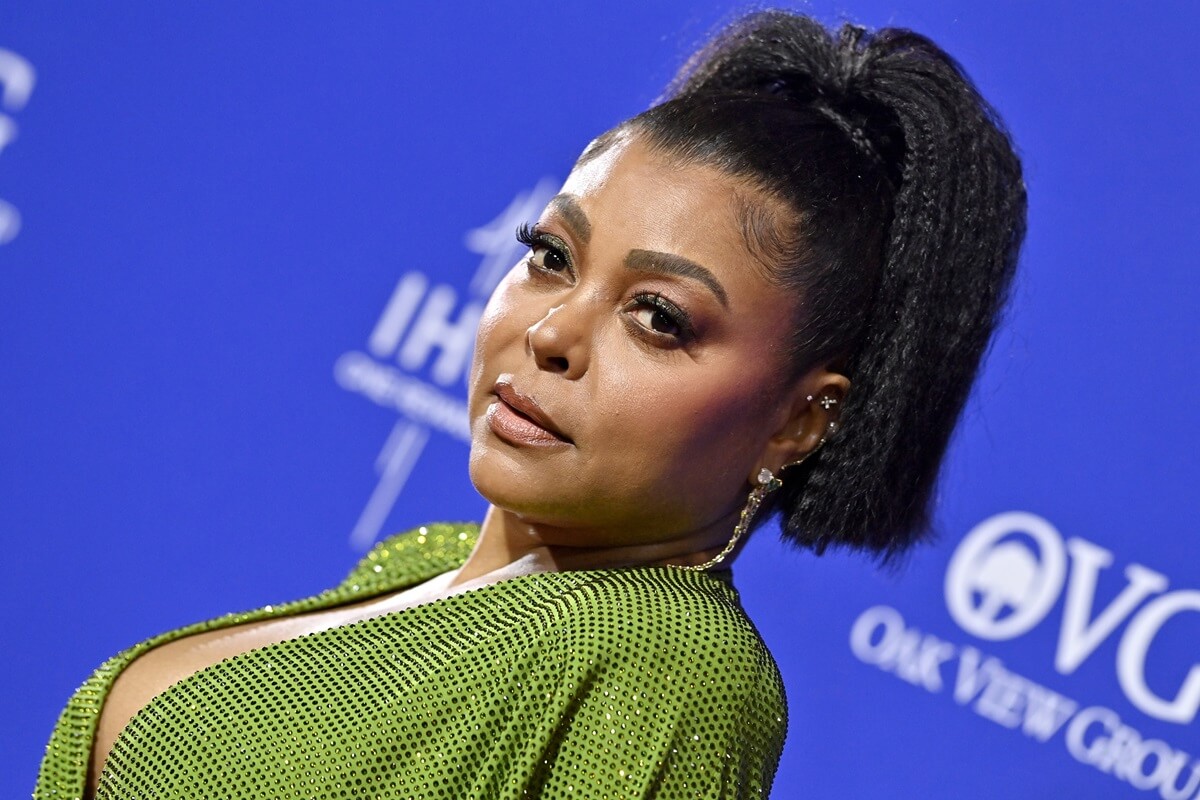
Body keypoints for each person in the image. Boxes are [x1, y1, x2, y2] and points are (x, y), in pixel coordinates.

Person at [34, 9, 1025, 799]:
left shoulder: (669, 668)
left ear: (799, 421)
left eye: (658, 317)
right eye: (552, 256)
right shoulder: (418, 563)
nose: (551, 330)